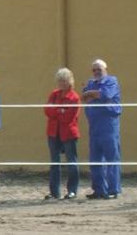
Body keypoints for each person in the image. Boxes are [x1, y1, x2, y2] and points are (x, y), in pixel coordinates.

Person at [82, 58, 122, 199]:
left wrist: (92, 94)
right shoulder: (91, 83)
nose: (96, 72)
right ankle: (99, 189)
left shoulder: (111, 81)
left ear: (105, 69)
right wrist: (93, 94)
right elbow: (85, 97)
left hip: (108, 125)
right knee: (95, 159)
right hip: (94, 125)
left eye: (99, 69)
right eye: (94, 70)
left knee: (112, 157)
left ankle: (113, 190)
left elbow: (106, 95)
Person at [44, 68, 81, 200]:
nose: (61, 83)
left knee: (72, 162)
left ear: (70, 81)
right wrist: (61, 111)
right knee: (54, 163)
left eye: (64, 80)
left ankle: (72, 190)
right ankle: (54, 192)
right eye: (59, 81)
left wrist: (57, 112)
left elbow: (69, 118)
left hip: (68, 133)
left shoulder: (74, 97)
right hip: (53, 132)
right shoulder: (54, 94)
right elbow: (47, 111)